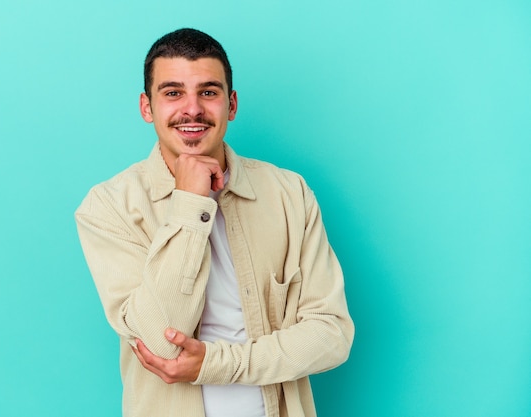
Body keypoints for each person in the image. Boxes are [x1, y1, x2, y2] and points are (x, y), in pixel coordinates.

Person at [75, 28, 354, 417]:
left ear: (231, 103)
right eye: (172, 93)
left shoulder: (289, 193)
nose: (192, 109)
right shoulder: (109, 207)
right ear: (146, 107)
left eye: (208, 92)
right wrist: (190, 203)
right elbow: (160, 342)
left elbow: (331, 334)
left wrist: (215, 364)